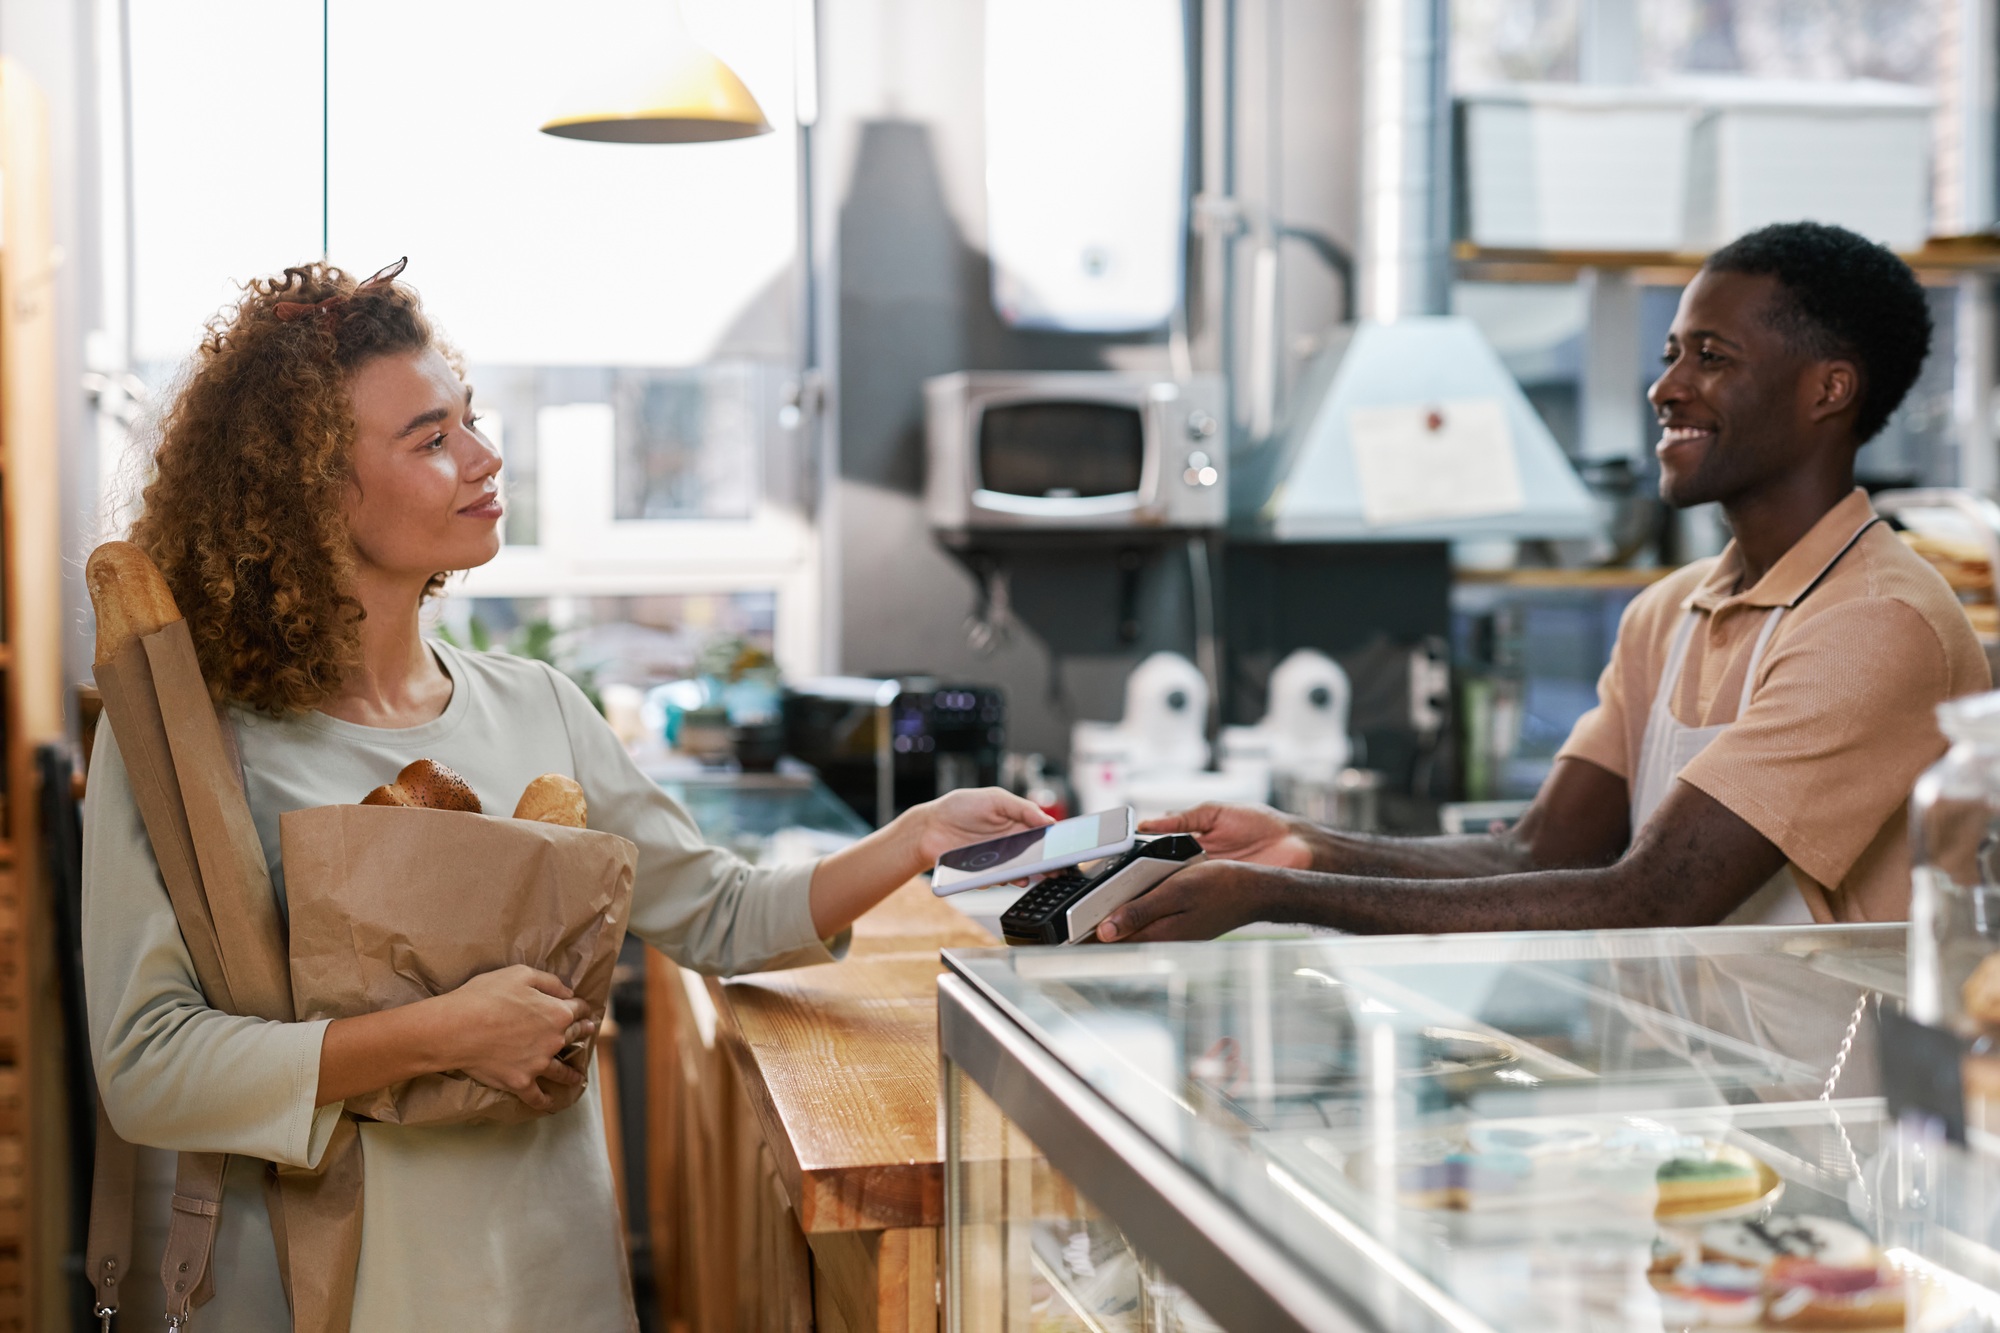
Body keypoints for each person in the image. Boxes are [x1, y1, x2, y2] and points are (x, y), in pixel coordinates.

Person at [82, 260, 1050, 1330]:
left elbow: (720, 914)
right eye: (430, 438)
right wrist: (444, 1032)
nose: (486, 457)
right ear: (307, 490)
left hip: (554, 1276)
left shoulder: (538, 706)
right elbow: (148, 1070)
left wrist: (912, 838)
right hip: (332, 1294)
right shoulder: (188, 747)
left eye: (471, 419)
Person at [1094, 221, 1990, 944]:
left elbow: (1652, 899)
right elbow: (1532, 850)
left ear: (1827, 390)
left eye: (1710, 356)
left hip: (1853, 1128)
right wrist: (1301, 847)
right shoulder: (1666, 613)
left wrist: (1272, 897)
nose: (1665, 388)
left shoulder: (1875, 621)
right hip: (1715, 1096)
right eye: (1671, 352)